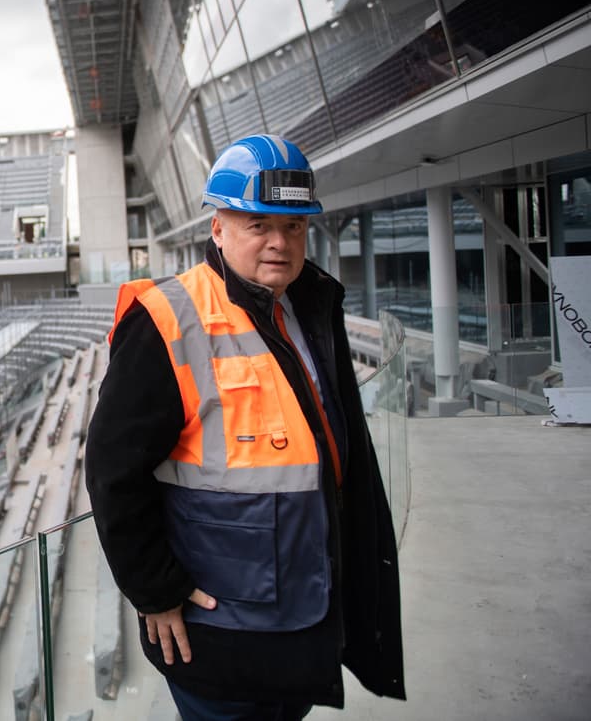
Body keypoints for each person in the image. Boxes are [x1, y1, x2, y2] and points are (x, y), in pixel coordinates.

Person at [85, 134, 405, 719]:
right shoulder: (166, 318)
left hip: (300, 619)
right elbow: (111, 472)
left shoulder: (308, 309)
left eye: (295, 226)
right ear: (218, 228)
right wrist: (154, 590)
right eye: (258, 224)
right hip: (217, 634)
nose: (280, 243)